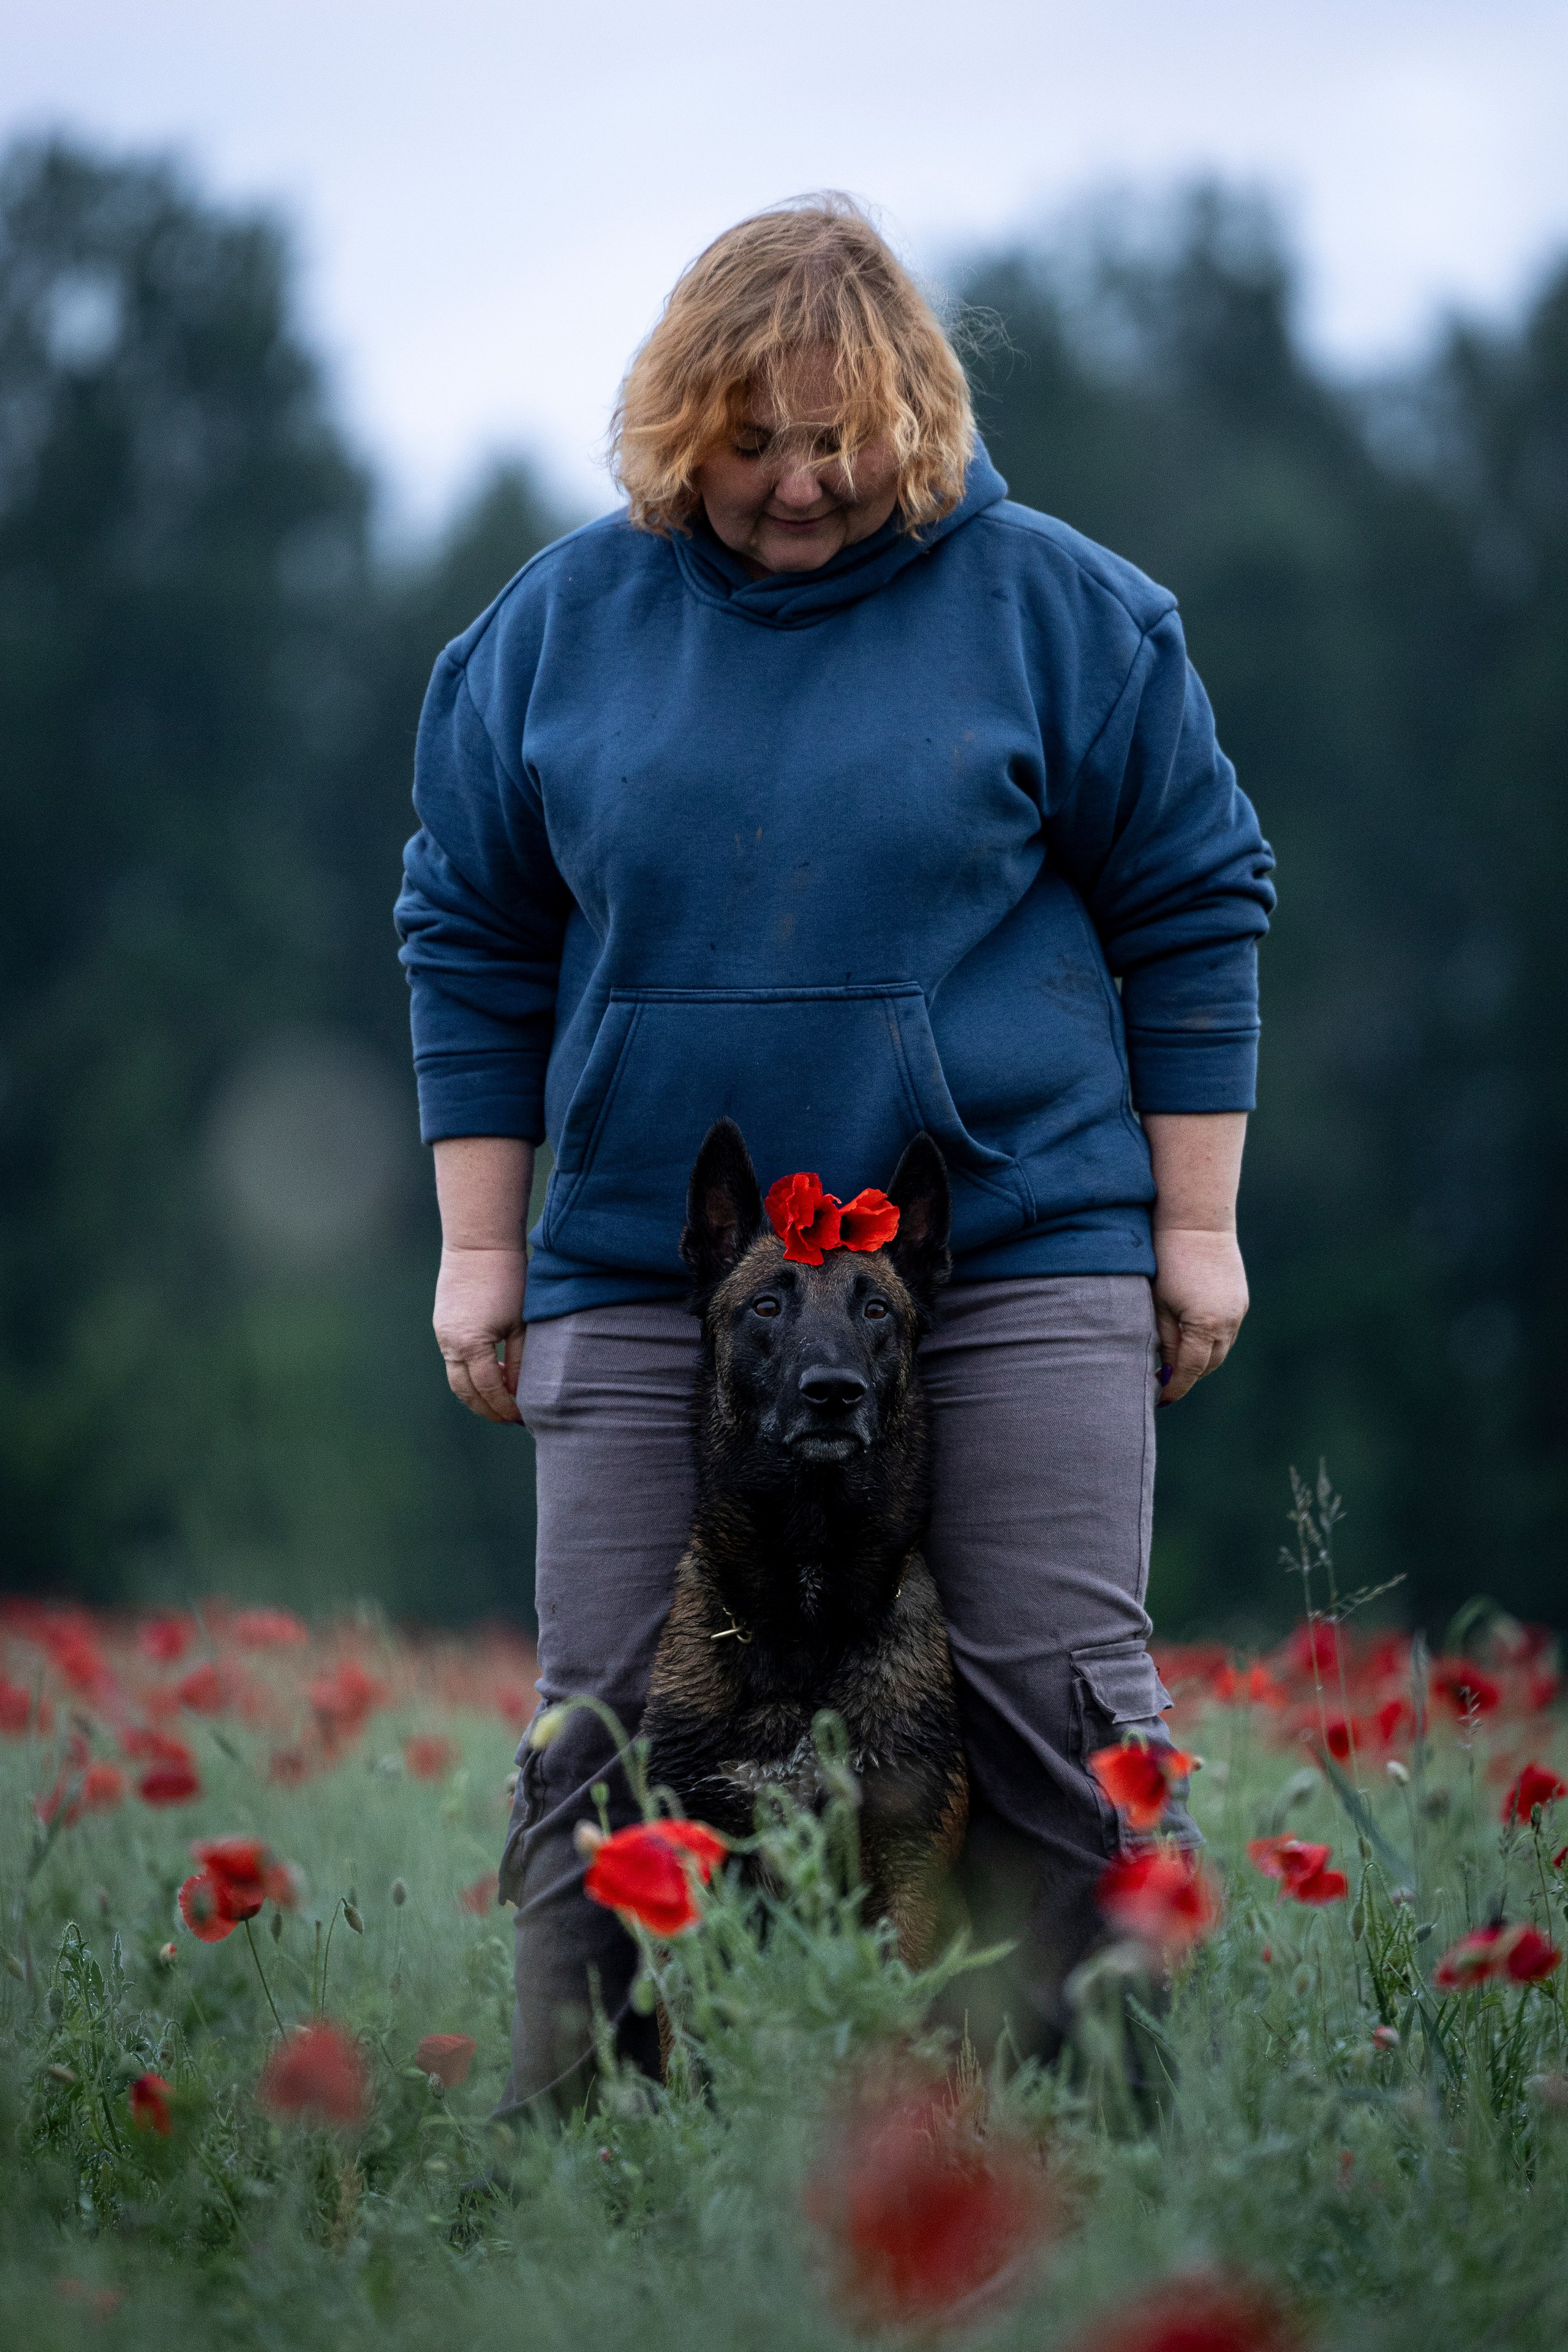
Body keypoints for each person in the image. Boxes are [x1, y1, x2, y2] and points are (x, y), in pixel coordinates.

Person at [394, 195, 1274, 2107]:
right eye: (750, 441)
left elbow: (1198, 900)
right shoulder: (550, 633)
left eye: (842, 440)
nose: (798, 485)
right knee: (602, 1738)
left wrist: (1193, 1226)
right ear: (673, 426)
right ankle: (587, 2170)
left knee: (1057, 1711)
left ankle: (1122, 2161)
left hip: (1010, 1248)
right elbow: (470, 924)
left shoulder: (1069, 612)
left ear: (918, 419)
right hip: (652, 1260)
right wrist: (484, 1256)